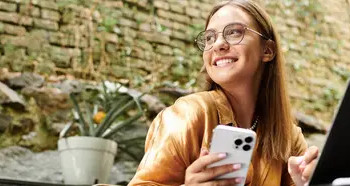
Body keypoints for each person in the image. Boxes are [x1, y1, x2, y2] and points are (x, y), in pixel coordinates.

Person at [129, 0, 320, 185]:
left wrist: (306, 184)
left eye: (234, 32)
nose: (218, 44)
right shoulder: (188, 114)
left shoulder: (288, 136)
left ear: (267, 50)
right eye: (210, 38)